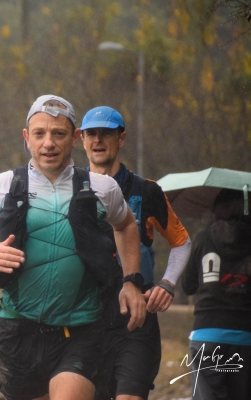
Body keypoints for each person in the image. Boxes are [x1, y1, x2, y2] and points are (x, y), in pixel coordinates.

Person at [0, 95, 146, 400]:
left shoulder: (102, 187)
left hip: (81, 329)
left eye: (58, 134)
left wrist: (131, 281)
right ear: (26, 137)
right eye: (39, 134)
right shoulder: (2, 186)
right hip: (19, 331)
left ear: (75, 138)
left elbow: (126, 226)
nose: (48, 143)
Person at [79, 106, 192, 400]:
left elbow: (181, 242)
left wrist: (167, 283)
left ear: (121, 138)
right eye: (91, 133)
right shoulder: (70, 190)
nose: (98, 140)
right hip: (85, 321)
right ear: (82, 139)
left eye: (106, 133)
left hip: (135, 321)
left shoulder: (147, 191)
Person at [182, 188, 251, 400]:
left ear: (218, 208)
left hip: (207, 336)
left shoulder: (203, 238)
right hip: (246, 337)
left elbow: (188, 286)